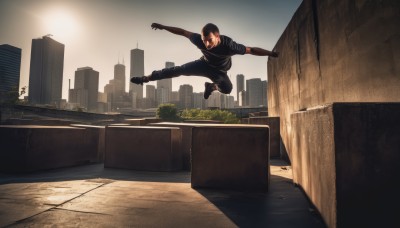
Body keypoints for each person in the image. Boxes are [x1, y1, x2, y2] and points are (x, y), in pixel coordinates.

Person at [130, 23, 279, 99]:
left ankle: (211, 87)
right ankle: (145, 78)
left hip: (220, 72)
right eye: (204, 41)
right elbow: (182, 32)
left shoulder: (230, 46)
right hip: (203, 64)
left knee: (227, 89)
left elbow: (251, 50)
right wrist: (162, 26)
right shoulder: (198, 40)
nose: (207, 44)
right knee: (178, 70)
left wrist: (271, 53)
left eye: (210, 40)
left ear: (218, 37)